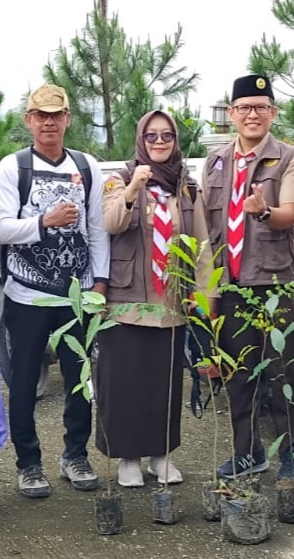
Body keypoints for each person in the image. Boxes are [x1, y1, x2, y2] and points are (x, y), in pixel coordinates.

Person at [0, 84, 110, 499]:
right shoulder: (13, 167)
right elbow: (3, 227)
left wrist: (100, 282)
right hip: (27, 295)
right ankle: (28, 463)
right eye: (40, 115)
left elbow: (96, 227)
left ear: (67, 119)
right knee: (24, 382)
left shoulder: (87, 165)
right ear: (28, 120)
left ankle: (75, 454)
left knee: (79, 380)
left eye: (56, 115)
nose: (48, 122)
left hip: (75, 295)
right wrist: (45, 221)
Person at [200, 74, 294, 483]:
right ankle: (247, 453)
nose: (252, 115)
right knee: (239, 375)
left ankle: (293, 454)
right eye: (244, 108)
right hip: (229, 285)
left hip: (273, 283)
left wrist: (264, 211)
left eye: (260, 108)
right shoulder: (214, 162)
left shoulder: (289, 157)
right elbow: (206, 231)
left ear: (273, 113)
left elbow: (290, 215)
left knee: (285, 373)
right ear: (231, 114)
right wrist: (208, 290)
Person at [99, 110, 213, 487]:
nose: (160, 142)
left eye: (166, 136)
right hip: (128, 298)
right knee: (126, 381)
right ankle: (128, 457)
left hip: (170, 299)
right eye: (152, 137)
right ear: (140, 140)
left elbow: (200, 242)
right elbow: (111, 223)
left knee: (163, 382)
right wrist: (133, 189)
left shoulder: (187, 186)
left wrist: (202, 291)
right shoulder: (119, 179)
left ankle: (161, 454)